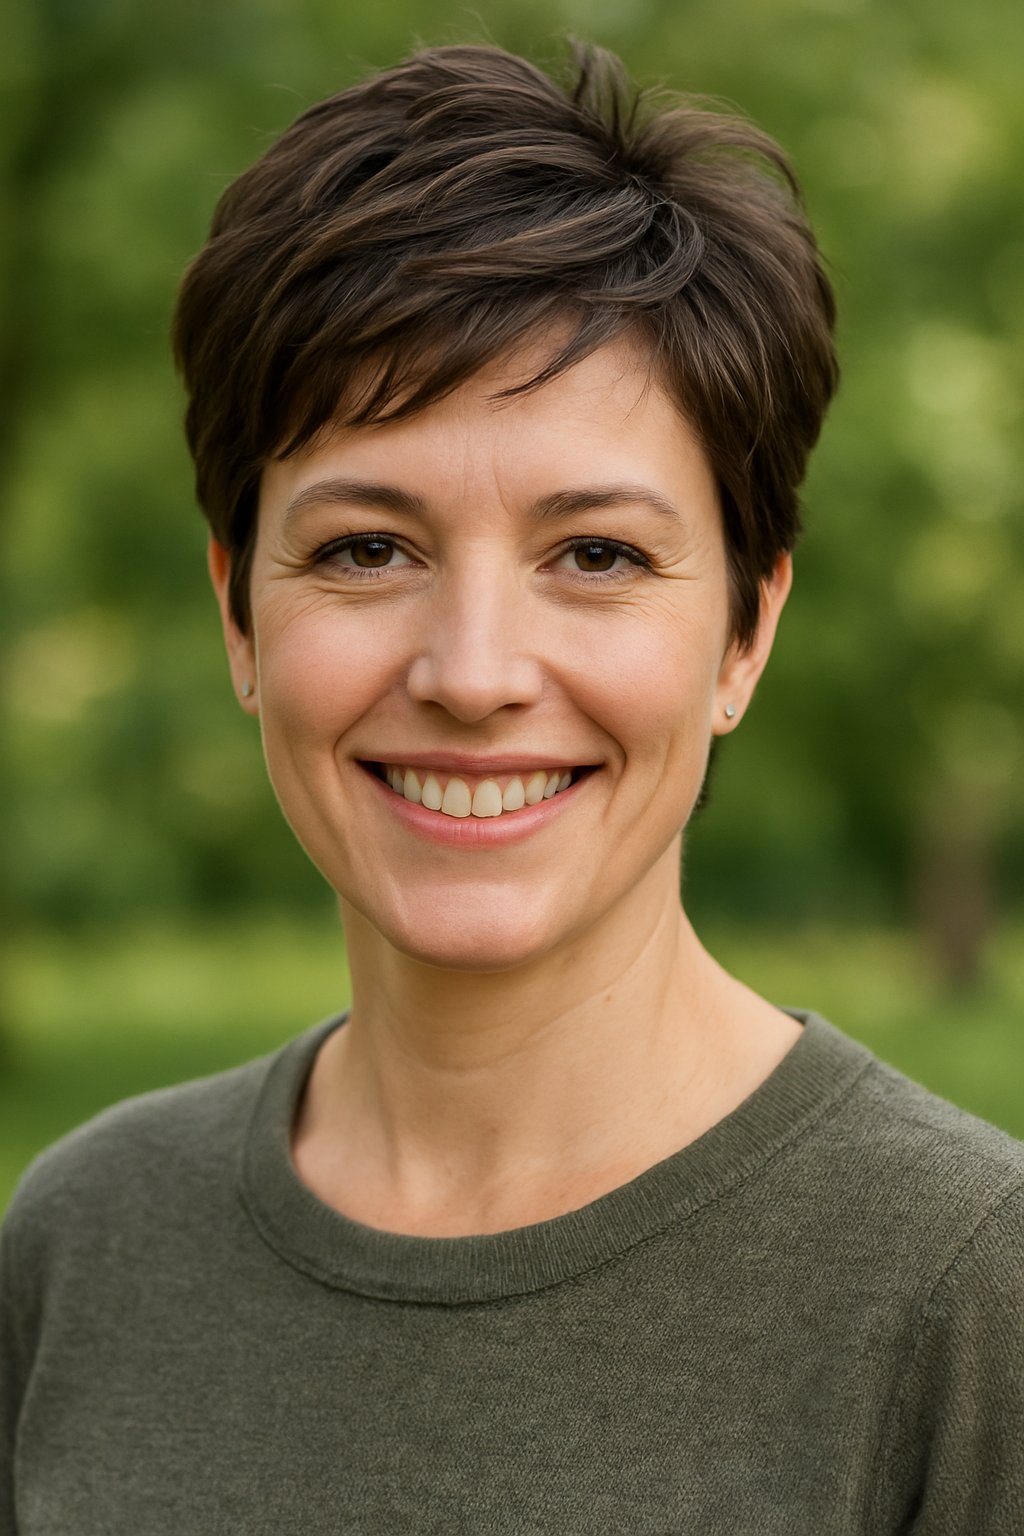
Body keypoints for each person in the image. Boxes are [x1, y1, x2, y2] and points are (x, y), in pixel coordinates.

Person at [1, 40, 1021, 1535]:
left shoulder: (963, 1292)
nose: (472, 672)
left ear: (745, 629)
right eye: (366, 549)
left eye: (595, 555)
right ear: (238, 617)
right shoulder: (85, 1241)